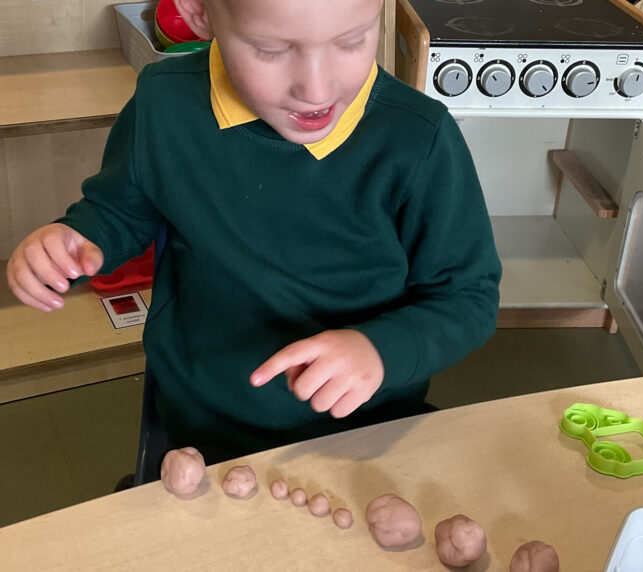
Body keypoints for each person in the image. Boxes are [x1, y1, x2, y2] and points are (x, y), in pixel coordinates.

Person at [6, 0, 501, 479]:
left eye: (352, 41)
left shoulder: (419, 138)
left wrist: (380, 350)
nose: (316, 87)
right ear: (199, 12)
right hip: (206, 421)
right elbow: (119, 210)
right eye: (270, 49)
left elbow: (468, 298)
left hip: (366, 430)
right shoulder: (162, 103)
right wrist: (77, 236)